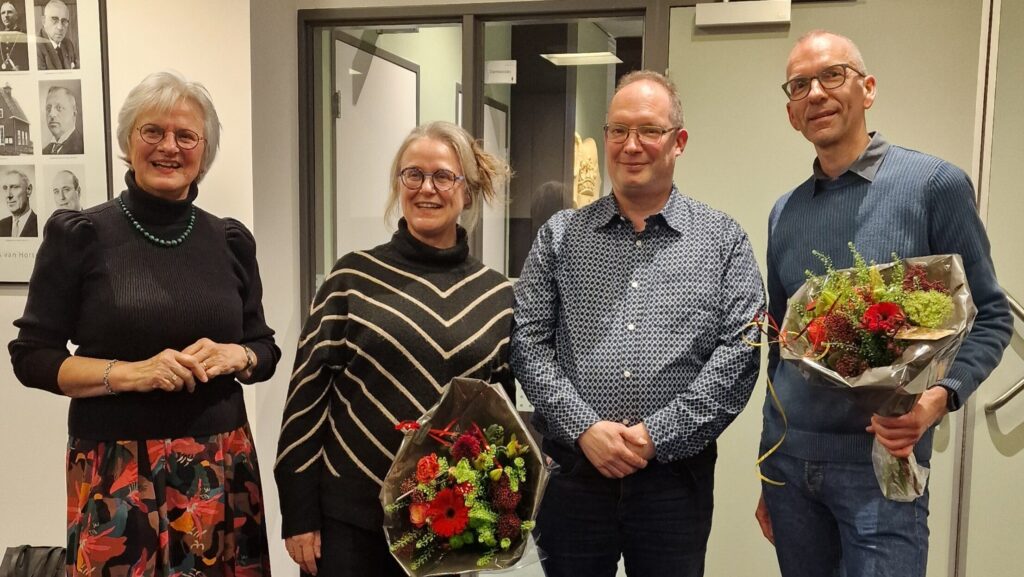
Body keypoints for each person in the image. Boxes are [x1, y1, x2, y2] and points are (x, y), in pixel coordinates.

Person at [755, 30, 1013, 577]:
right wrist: (768, 467)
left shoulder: (933, 186)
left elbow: (989, 316)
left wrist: (938, 400)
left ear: (867, 89)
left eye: (833, 75)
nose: (816, 94)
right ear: (791, 113)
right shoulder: (784, 212)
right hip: (792, 468)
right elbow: (782, 350)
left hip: (881, 464)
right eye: (799, 85)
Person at [9, 70, 281, 576]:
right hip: (115, 467)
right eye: (151, 132)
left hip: (220, 465)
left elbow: (263, 348)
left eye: (185, 136)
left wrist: (236, 355)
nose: (168, 148)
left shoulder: (230, 241)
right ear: (128, 142)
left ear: (205, 149)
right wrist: (128, 374)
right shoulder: (82, 236)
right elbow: (32, 358)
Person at [511, 70, 764, 577]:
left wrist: (655, 436)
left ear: (679, 142)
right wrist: (585, 428)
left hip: (676, 481)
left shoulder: (723, 241)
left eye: (649, 130)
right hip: (573, 475)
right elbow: (528, 345)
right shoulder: (560, 237)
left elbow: (740, 354)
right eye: (619, 131)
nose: (632, 145)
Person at [274, 121, 514, 577]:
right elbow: (305, 405)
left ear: (467, 191)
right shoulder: (352, 281)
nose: (427, 188)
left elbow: (498, 420)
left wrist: (494, 514)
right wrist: (299, 515)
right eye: (413, 175)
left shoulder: (496, 296)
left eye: (444, 176)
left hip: (449, 526)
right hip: (349, 522)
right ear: (398, 184)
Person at [42, 86, 83, 154]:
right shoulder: (44, 151)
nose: (51, 114)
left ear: (74, 113)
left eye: (59, 107)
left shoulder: (83, 147)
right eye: (48, 109)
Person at [37, 0, 76, 70]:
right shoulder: (36, 47)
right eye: (54, 19)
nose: (60, 27)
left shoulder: (68, 44)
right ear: (43, 21)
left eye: (64, 21)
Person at [0, 168, 36, 237]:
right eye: (5, 188)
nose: (8, 195)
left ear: (29, 190)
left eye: (14, 187)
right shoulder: (1, 225)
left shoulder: (40, 224)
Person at [0, 1, 28, 71]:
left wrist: (22, 67)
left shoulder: (24, 34)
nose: (6, 15)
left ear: (16, 16)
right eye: (3, 13)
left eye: (9, 12)